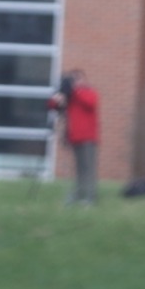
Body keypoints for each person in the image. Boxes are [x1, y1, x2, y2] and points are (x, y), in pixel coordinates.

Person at [48, 68, 101, 205]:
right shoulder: (70, 97)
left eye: (78, 79)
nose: (75, 82)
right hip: (74, 136)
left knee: (88, 168)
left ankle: (90, 197)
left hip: (88, 137)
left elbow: (91, 103)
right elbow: (52, 105)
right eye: (73, 79)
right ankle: (78, 194)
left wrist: (75, 90)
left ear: (84, 80)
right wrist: (58, 95)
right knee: (77, 168)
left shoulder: (89, 92)